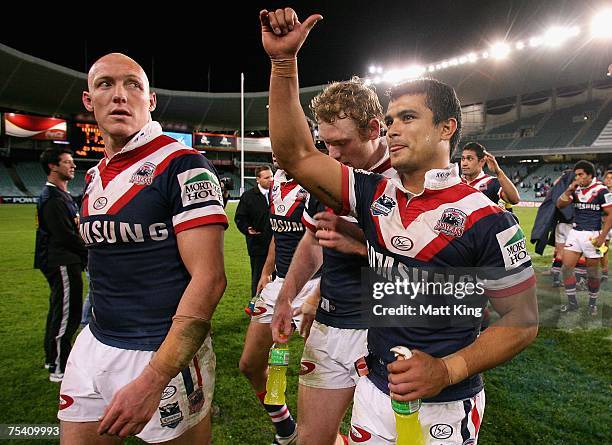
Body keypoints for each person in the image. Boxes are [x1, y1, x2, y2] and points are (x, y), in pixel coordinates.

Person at [260, 8, 538, 444]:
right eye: (389, 120)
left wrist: (447, 369)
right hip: (375, 389)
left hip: (446, 403)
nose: (392, 129)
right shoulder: (374, 195)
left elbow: (522, 322)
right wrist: (283, 64)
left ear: (448, 127)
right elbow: (296, 154)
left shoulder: (488, 218)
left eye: (408, 117)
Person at [57, 53, 227, 444]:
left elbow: (211, 279)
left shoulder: (183, 164)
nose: (120, 95)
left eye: (133, 84)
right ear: (88, 101)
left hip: (160, 354)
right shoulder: (95, 174)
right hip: (95, 340)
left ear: (150, 102)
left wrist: (153, 378)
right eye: (106, 84)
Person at [269, 77, 398, 445]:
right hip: (331, 322)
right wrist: (288, 295)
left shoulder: (406, 174)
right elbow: (313, 240)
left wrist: (359, 241)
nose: (334, 154)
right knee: (311, 440)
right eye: (326, 143)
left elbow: (432, 269)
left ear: (374, 128)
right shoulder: (329, 174)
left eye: (342, 143)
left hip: (385, 330)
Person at [238, 159, 321, 445]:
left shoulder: (317, 180)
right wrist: (266, 271)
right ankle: (286, 428)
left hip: (316, 285)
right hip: (280, 284)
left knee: (323, 378)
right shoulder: (275, 185)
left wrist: (320, 292)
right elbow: (278, 232)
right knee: (249, 365)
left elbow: (324, 239)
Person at [34, 147, 87, 382]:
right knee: (67, 314)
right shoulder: (52, 198)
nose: (72, 165)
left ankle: (51, 359)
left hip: (65, 259)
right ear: (53, 166)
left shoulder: (61, 195)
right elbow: (65, 236)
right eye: (67, 162)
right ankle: (59, 367)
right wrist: (88, 251)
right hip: (63, 261)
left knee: (59, 311)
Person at [557, 161, 612, 316]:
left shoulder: (601, 191)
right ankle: (572, 303)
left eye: (581, 174)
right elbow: (560, 204)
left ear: (590, 175)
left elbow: (611, 214)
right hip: (575, 233)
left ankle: (592, 303)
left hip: (593, 235)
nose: (578, 178)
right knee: (567, 268)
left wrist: (602, 236)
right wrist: (568, 191)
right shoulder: (576, 190)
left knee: (593, 273)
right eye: (576, 175)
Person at [235, 165, 274, 298]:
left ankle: (272, 308)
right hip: (258, 245)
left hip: (277, 245)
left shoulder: (277, 193)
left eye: (272, 176)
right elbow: (240, 218)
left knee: (276, 278)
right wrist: (247, 229)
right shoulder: (248, 196)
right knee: (258, 277)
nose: (271, 179)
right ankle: (256, 307)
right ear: (258, 179)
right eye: (267, 177)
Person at [460, 142, 520, 211]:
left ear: (481, 162)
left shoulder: (492, 182)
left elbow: (514, 199)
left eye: (469, 159)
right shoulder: (456, 182)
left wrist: (498, 172)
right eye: (463, 159)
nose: (464, 163)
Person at [601, 170, 612, 282]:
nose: (608, 180)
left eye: (611, 178)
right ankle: (604, 272)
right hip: (604, 225)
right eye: (607, 178)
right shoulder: (601, 192)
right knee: (602, 249)